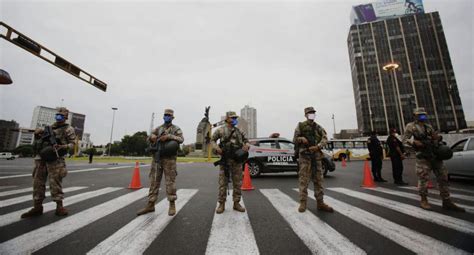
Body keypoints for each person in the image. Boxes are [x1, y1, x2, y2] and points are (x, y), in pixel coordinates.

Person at [402, 107, 465, 212]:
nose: (423, 117)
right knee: (423, 179)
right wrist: (414, 143)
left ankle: (447, 201)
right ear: (415, 116)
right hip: (423, 156)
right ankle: (424, 200)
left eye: (424, 115)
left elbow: (435, 138)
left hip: (435, 155)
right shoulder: (411, 126)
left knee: (443, 178)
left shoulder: (428, 127)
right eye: (420, 115)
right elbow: (404, 141)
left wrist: (437, 138)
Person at [21, 107, 76, 218]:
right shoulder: (48, 128)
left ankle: (59, 207)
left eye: (61, 115)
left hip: (55, 158)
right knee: (38, 182)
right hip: (41, 158)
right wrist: (37, 134)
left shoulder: (68, 129)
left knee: (55, 182)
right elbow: (38, 142)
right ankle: (37, 207)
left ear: (66, 117)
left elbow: (73, 144)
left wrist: (63, 146)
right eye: (57, 114)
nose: (59, 116)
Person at [137, 109, 184, 216]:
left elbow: (181, 139)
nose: (167, 117)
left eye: (169, 115)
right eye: (166, 115)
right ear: (163, 116)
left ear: (172, 117)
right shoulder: (158, 128)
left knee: (170, 182)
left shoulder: (176, 129)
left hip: (170, 159)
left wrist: (169, 136)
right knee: (154, 181)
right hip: (157, 158)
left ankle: (172, 204)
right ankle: (151, 204)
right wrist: (151, 137)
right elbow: (148, 139)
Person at [293, 107, 333, 213]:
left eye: (313, 113)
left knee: (319, 181)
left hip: (316, 157)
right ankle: (303, 203)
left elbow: (325, 138)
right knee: (303, 181)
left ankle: (320, 203)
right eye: (309, 113)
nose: (312, 114)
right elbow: (294, 139)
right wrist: (301, 139)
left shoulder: (318, 127)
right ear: (306, 115)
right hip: (305, 157)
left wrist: (318, 146)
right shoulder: (300, 126)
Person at [211, 111, 250, 214]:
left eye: (235, 117)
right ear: (227, 119)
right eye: (232, 117)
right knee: (222, 183)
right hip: (225, 160)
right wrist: (217, 148)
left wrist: (247, 145)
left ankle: (236, 203)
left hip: (237, 160)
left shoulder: (239, 131)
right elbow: (212, 140)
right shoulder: (221, 130)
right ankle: (221, 204)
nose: (234, 119)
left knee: (237, 183)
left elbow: (247, 140)